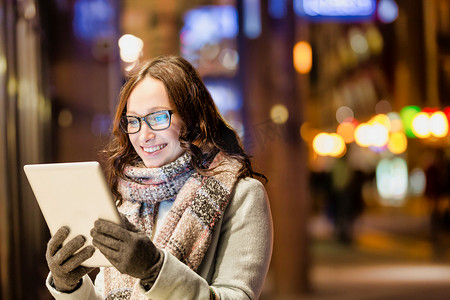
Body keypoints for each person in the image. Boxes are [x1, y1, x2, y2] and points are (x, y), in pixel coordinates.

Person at [45, 55, 273, 300]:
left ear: (192, 118)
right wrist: (69, 287)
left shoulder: (242, 194)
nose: (144, 136)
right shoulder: (130, 197)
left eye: (157, 118)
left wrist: (155, 270)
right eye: (133, 121)